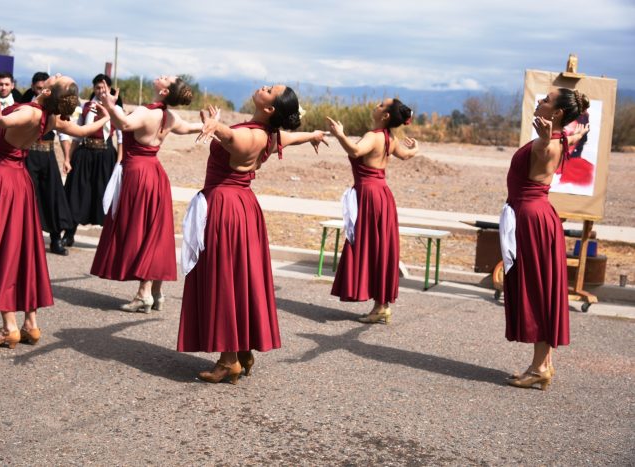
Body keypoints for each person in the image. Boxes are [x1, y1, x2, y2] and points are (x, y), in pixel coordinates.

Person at [177, 84, 327, 384]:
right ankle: (241, 348)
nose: (264, 86)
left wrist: (215, 125)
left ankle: (228, 361)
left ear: (270, 108)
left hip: (226, 208)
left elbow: (234, 138)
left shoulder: (254, 136)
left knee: (225, 280)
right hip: (242, 208)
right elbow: (289, 137)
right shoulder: (269, 134)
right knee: (238, 278)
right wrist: (313, 135)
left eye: (270, 90)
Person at [0, 75, 111, 349]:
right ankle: (30, 324)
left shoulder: (29, 112)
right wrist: (106, 116)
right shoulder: (49, 118)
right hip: (20, 182)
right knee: (23, 249)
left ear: (48, 89)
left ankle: (9, 328)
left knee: (1, 248)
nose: (55, 74)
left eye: (57, 77)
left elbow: (6, 122)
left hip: (2, 180)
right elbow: (85, 132)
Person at [90, 76, 209, 312]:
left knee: (138, 230)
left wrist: (111, 106)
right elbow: (189, 128)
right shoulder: (170, 116)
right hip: (156, 174)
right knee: (155, 231)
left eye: (167, 78)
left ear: (164, 91)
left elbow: (124, 125)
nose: (162, 76)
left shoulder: (146, 111)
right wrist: (210, 122)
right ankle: (155, 291)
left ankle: (145, 294)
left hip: (137, 175)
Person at [500, 88, 590, 390]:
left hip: (532, 220)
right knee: (542, 288)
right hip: (536, 217)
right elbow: (565, 140)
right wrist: (574, 134)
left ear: (558, 113)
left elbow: (542, 150)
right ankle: (544, 364)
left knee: (536, 291)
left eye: (546, 100)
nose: (540, 101)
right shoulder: (560, 139)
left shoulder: (549, 144)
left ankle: (539, 367)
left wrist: (542, 137)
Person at [326, 98, 419, 323]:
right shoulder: (389, 138)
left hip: (368, 195)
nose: (376, 105)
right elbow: (406, 155)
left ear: (385, 116)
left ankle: (380, 306)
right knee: (380, 247)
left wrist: (340, 135)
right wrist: (417, 148)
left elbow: (356, 151)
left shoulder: (374, 136)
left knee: (367, 245)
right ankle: (381, 305)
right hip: (382, 195)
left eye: (380, 104)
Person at [61, 73, 124, 247]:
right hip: (84, 155)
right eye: (97, 87)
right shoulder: (86, 107)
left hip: (106, 157)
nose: (100, 90)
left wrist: (119, 163)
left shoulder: (116, 109)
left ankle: (110, 239)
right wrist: (68, 158)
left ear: (109, 89)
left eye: (104, 87)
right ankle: (69, 233)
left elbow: (121, 138)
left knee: (107, 196)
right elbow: (77, 134)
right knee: (75, 194)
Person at [21, 72, 75, 255]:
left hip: (48, 155)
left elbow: (64, 133)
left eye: (45, 87)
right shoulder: (26, 103)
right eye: (38, 88)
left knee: (53, 197)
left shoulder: (55, 106)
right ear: (33, 87)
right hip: (28, 156)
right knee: (28, 197)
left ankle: (55, 240)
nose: (42, 90)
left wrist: (67, 158)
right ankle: (26, 240)